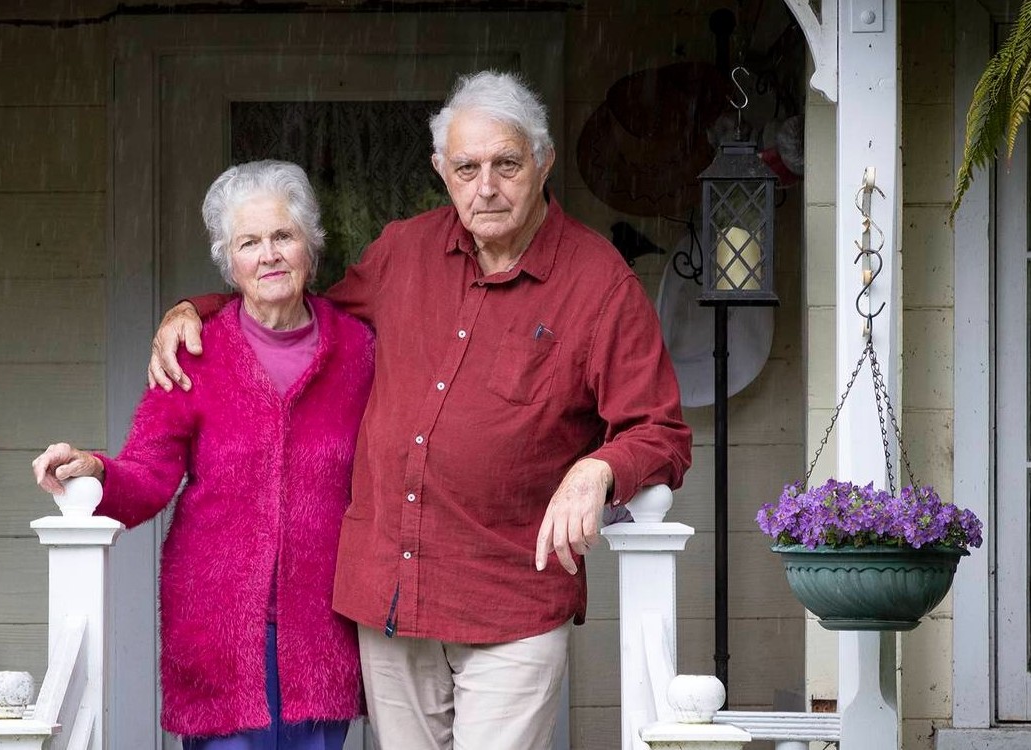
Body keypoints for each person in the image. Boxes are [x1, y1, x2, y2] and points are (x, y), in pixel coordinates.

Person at [148, 72, 692, 750]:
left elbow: (660, 429)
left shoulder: (597, 282)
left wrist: (599, 469)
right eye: (465, 167)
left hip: (509, 601)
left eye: (506, 164)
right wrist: (194, 310)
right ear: (441, 170)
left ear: (543, 161)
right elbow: (296, 315)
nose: (485, 186)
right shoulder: (403, 250)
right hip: (391, 598)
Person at [32, 160, 374, 750]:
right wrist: (94, 468)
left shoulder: (359, 349)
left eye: (283, 236)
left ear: (310, 246)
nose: (269, 255)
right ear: (229, 260)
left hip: (324, 624)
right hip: (219, 630)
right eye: (249, 242)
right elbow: (148, 474)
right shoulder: (195, 352)